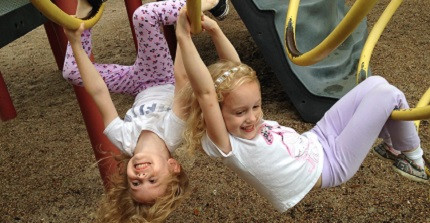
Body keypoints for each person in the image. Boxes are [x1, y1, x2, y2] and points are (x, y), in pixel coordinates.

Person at [175, 9, 429, 213]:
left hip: (317, 138)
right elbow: (206, 93)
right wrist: (183, 38)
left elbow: (236, 69)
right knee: (389, 95)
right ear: (216, 113)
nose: (252, 117)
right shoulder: (227, 144)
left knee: (377, 83)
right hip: (331, 164)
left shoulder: (237, 115)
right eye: (240, 113)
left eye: (256, 106)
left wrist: (217, 30)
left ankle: (393, 146)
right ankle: (415, 160)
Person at [62, 0, 229, 221]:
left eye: (136, 182)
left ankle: (86, 10)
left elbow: (99, 93)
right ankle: (215, 2)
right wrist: (183, 32)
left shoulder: (122, 138)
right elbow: (183, 78)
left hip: (136, 84)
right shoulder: (174, 131)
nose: (141, 175)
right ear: (173, 166)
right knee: (144, 16)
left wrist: (75, 44)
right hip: (162, 77)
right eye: (152, 180)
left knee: (72, 72)